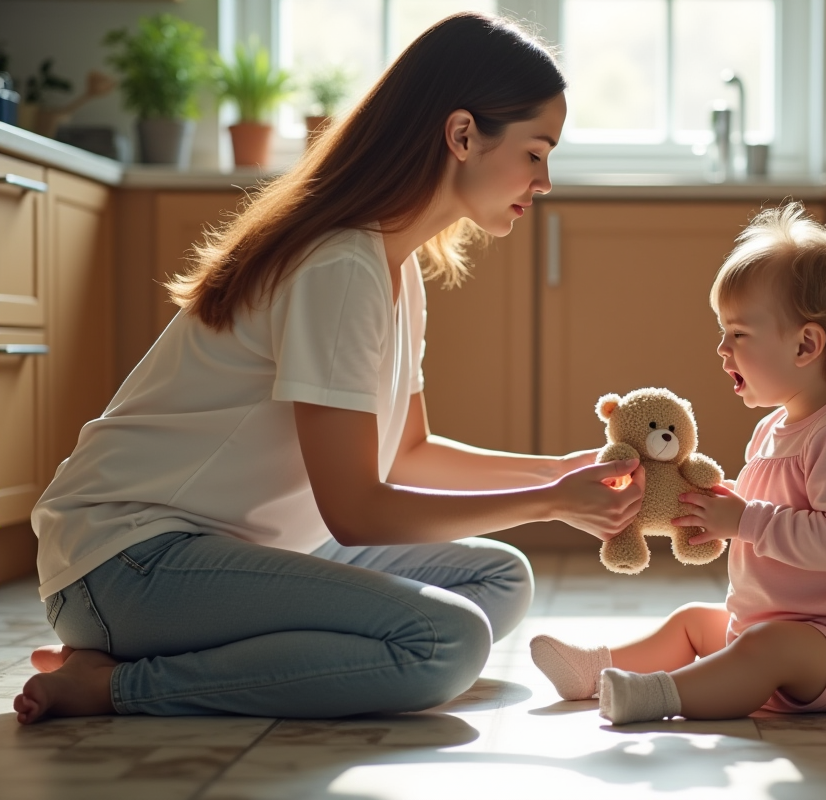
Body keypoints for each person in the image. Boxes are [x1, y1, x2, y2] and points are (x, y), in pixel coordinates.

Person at [14, 13, 645, 726]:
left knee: (497, 576)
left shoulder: (395, 267)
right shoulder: (341, 266)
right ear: (463, 135)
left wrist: (556, 470)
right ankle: (115, 687)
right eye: (536, 152)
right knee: (447, 639)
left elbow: (410, 453)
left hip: (231, 551)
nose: (546, 180)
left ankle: (169, 654)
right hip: (128, 562)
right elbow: (356, 509)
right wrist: (551, 503)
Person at [530, 203, 826, 724]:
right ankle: (595, 671)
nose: (721, 348)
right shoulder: (774, 428)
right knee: (694, 622)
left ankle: (655, 695)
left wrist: (742, 521)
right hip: (773, 623)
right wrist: (708, 506)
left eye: (738, 334)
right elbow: (768, 513)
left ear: (806, 344)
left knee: (767, 646)